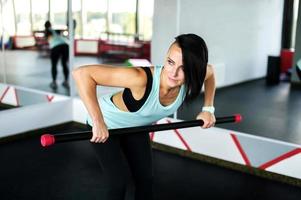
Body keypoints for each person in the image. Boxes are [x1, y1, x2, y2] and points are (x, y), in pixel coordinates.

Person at [72, 33, 216, 200]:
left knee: (146, 180)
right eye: (170, 62)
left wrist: (208, 108)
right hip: (107, 124)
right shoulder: (140, 78)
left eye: (184, 68)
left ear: (195, 69)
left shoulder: (197, 76)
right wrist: (98, 121)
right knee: (118, 183)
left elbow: (211, 73)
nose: (173, 73)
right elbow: (82, 74)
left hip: (136, 126)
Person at [44, 20, 69, 90]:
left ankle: (54, 82)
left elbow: (49, 39)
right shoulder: (54, 30)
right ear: (50, 25)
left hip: (56, 47)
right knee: (64, 64)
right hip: (65, 45)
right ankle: (66, 81)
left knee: (54, 65)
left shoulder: (47, 31)